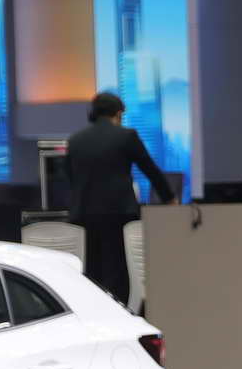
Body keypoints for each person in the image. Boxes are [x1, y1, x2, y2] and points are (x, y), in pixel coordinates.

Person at [65, 91, 178, 306]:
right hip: (118, 212)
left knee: (92, 268)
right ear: (118, 114)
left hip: (84, 213)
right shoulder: (126, 136)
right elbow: (150, 169)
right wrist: (169, 199)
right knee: (118, 269)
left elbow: (70, 177)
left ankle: (94, 310)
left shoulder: (76, 140)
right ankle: (118, 312)